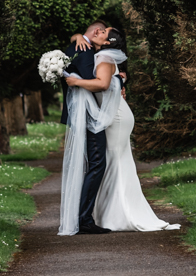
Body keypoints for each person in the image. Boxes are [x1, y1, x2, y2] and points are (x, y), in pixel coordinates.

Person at [65, 28, 180, 232]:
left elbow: (102, 83)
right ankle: (108, 213)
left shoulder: (105, 56)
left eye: (104, 31)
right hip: (115, 114)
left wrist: (76, 82)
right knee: (113, 162)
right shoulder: (103, 54)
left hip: (116, 116)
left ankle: (121, 214)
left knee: (114, 161)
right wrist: (76, 38)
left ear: (108, 42)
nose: (98, 30)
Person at [58, 21, 112, 235]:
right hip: (89, 115)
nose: (106, 41)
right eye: (104, 36)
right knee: (97, 163)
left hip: (78, 113)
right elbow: (94, 80)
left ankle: (82, 216)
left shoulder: (72, 47)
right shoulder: (86, 50)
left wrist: (77, 35)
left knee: (92, 162)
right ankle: (84, 219)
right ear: (97, 32)